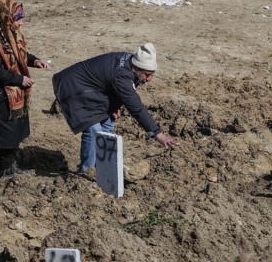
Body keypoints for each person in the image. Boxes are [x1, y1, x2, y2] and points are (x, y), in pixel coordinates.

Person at [52, 43, 179, 174]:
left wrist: (114, 105)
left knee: (108, 122)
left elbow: (115, 86)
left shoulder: (131, 63)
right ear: (136, 69)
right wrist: (158, 134)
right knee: (93, 129)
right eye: (147, 74)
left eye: (152, 74)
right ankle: (86, 171)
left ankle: (101, 165)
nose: (149, 79)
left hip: (93, 88)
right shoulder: (122, 75)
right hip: (71, 86)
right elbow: (136, 107)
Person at [0, 0, 50, 178]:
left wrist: (35, 61)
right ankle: (5, 169)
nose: (21, 23)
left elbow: (21, 55)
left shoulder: (12, 34)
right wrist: (20, 80)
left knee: (13, 132)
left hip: (13, 94)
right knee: (6, 134)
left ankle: (11, 165)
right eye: (18, 19)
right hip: (0, 95)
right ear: (7, 18)